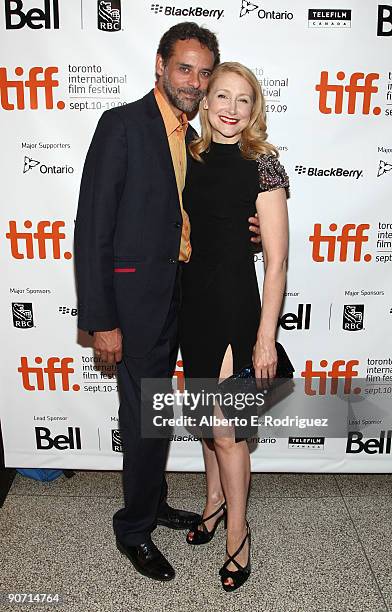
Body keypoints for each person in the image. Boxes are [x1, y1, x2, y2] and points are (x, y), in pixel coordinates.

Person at [74, 24, 261, 582]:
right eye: (186, 68)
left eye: (206, 72)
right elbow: (92, 228)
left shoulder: (196, 138)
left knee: (160, 414)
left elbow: (201, 213)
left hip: (190, 299)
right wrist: (101, 319)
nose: (197, 82)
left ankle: (151, 504)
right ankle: (133, 528)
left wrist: (249, 232)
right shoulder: (123, 124)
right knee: (141, 419)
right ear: (160, 65)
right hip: (134, 304)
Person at [179, 62, 290, 591]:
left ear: (254, 110)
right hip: (191, 306)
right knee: (206, 420)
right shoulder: (186, 156)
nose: (230, 108)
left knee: (226, 431)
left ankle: (238, 536)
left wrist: (264, 335)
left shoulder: (262, 164)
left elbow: (276, 262)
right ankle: (214, 503)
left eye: (243, 100)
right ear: (205, 100)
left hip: (233, 307)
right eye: (221, 95)